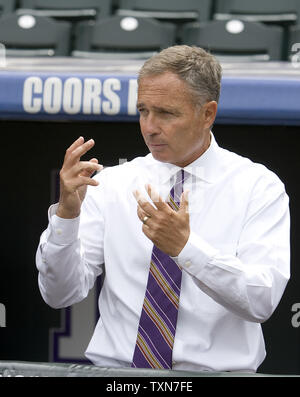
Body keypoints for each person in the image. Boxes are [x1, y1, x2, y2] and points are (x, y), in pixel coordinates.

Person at [36, 45, 290, 373]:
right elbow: (60, 294)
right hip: (118, 378)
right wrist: (67, 216)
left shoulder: (258, 187)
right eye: (143, 111)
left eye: (166, 113)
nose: (150, 127)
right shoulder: (111, 184)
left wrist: (187, 249)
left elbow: (262, 300)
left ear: (207, 113)